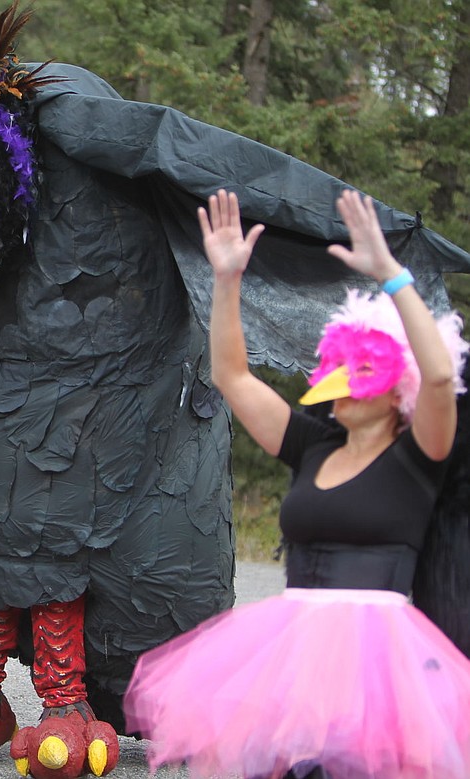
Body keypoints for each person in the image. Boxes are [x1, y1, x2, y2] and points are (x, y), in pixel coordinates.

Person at [122, 189, 470, 779]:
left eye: (364, 372)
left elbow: (440, 375)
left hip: (382, 668)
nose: (346, 384)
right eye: (341, 369)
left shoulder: (419, 455)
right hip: (294, 652)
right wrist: (227, 279)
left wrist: (391, 276)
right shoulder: (312, 444)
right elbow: (231, 375)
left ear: (395, 387)